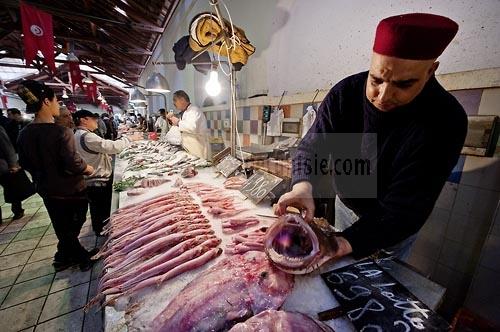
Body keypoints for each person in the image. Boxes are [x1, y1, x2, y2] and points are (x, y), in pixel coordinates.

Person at [275, 13, 467, 263]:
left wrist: (341, 244)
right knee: (341, 271)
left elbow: (405, 209)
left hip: (392, 225)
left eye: (404, 84)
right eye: (376, 79)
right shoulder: (345, 96)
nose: (384, 95)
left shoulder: (445, 120)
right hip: (346, 208)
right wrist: (302, 186)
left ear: (431, 70)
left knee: (374, 285)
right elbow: (312, 149)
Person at [16, 80, 96, 272]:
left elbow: (24, 163)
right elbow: (74, 163)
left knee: (62, 225)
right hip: (70, 189)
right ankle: (81, 257)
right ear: (45, 102)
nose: (57, 105)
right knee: (72, 226)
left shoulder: (24, 133)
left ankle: (62, 257)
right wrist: (89, 169)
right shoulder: (61, 132)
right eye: (55, 100)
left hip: (46, 190)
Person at [73, 110, 141, 235]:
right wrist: (129, 139)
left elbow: (96, 151)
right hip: (97, 181)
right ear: (83, 120)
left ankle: (101, 228)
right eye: (93, 119)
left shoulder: (78, 135)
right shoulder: (87, 136)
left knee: (97, 208)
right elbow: (111, 147)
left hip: (91, 180)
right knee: (101, 208)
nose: (96, 122)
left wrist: (103, 156)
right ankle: (103, 231)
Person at [167, 90, 209, 159]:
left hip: (198, 148)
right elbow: (181, 128)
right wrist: (171, 120)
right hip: (189, 148)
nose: (173, 103)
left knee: (200, 167)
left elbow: (192, 127)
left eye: (175, 100)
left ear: (182, 100)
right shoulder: (185, 112)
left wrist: (178, 122)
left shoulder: (194, 110)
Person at [0, 125, 27, 221]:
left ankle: (17, 210)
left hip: (2, 166)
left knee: (11, 188)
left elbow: (7, 146)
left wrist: (13, 164)